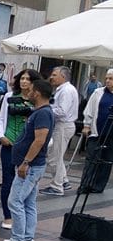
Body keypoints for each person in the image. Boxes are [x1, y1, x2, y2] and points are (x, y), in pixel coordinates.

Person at [0, 77, 55, 241]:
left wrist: (25, 162)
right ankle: (27, 238)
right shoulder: (39, 112)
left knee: (15, 201)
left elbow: (39, 141)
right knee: (29, 202)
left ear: (37, 93)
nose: (28, 93)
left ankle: (19, 240)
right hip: (33, 165)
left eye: (30, 90)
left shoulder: (43, 113)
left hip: (31, 166)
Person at [0, 69, 40, 230]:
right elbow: (1, 118)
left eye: (28, 79)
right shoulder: (9, 97)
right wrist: (1, 136)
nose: (24, 81)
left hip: (28, 147)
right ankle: (7, 216)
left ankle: (21, 216)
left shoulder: (38, 100)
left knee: (25, 181)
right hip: (9, 143)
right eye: (22, 78)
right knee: (7, 180)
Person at [41, 66, 78, 196]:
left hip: (63, 125)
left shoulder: (66, 91)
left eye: (54, 75)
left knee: (54, 157)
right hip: (63, 125)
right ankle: (63, 181)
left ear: (63, 76)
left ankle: (57, 186)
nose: (51, 77)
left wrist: (45, 108)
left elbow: (62, 111)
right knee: (57, 154)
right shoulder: (63, 89)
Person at [80, 68, 113, 193]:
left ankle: (98, 186)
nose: (108, 81)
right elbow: (89, 109)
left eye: (111, 79)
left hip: (111, 135)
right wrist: (86, 125)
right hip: (96, 131)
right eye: (107, 78)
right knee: (91, 159)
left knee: (107, 161)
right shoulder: (98, 92)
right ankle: (85, 185)